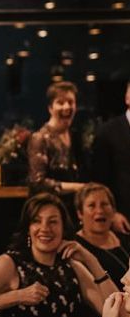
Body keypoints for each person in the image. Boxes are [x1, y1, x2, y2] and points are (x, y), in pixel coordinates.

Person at [27, 81, 86, 199]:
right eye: (60, 102)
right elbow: (37, 183)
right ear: (50, 108)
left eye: (70, 102)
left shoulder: (75, 136)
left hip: (75, 208)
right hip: (50, 209)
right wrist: (77, 187)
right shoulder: (40, 138)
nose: (67, 107)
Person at [74, 183, 130, 288]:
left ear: (113, 211)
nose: (99, 210)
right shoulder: (76, 248)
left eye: (104, 204)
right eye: (92, 205)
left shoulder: (125, 238)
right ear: (80, 213)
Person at [92, 79, 130, 225]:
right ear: (127, 98)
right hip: (122, 219)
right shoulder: (107, 132)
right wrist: (112, 214)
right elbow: (99, 180)